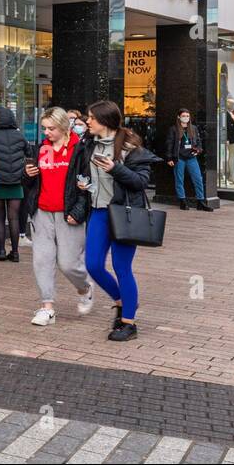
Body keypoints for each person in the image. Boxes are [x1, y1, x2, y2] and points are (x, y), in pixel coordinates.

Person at [63, 100, 162, 342]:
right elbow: (85, 175)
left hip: (124, 214)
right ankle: (123, 301)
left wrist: (115, 169)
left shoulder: (131, 148)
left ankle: (129, 322)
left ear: (105, 121)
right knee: (93, 265)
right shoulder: (88, 145)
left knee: (121, 267)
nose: (87, 121)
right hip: (98, 212)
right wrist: (84, 185)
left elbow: (140, 183)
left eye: (91, 118)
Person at [26, 107, 93, 326]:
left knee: (68, 263)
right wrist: (25, 174)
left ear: (64, 127)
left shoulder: (79, 150)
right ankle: (47, 307)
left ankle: (84, 288)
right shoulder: (40, 149)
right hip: (42, 212)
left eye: (51, 128)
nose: (47, 133)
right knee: (42, 260)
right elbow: (29, 182)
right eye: (44, 128)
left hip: (68, 214)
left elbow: (86, 185)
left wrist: (78, 211)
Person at [0, 104, 34, 261]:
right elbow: (29, 155)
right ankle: (15, 252)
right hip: (16, 182)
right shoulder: (20, 136)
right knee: (14, 218)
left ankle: (1, 250)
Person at [165, 108, 212, 211]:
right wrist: (169, 158)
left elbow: (199, 142)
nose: (186, 118)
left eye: (187, 116)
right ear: (179, 117)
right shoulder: (174, 129)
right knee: (179, 180)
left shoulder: (193, 128)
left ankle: (200, 202)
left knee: (198, 179)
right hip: (179, 158)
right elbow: (169, 144)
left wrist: (198, 150)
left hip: (191, 158)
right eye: (183, 116)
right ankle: (182, 201)